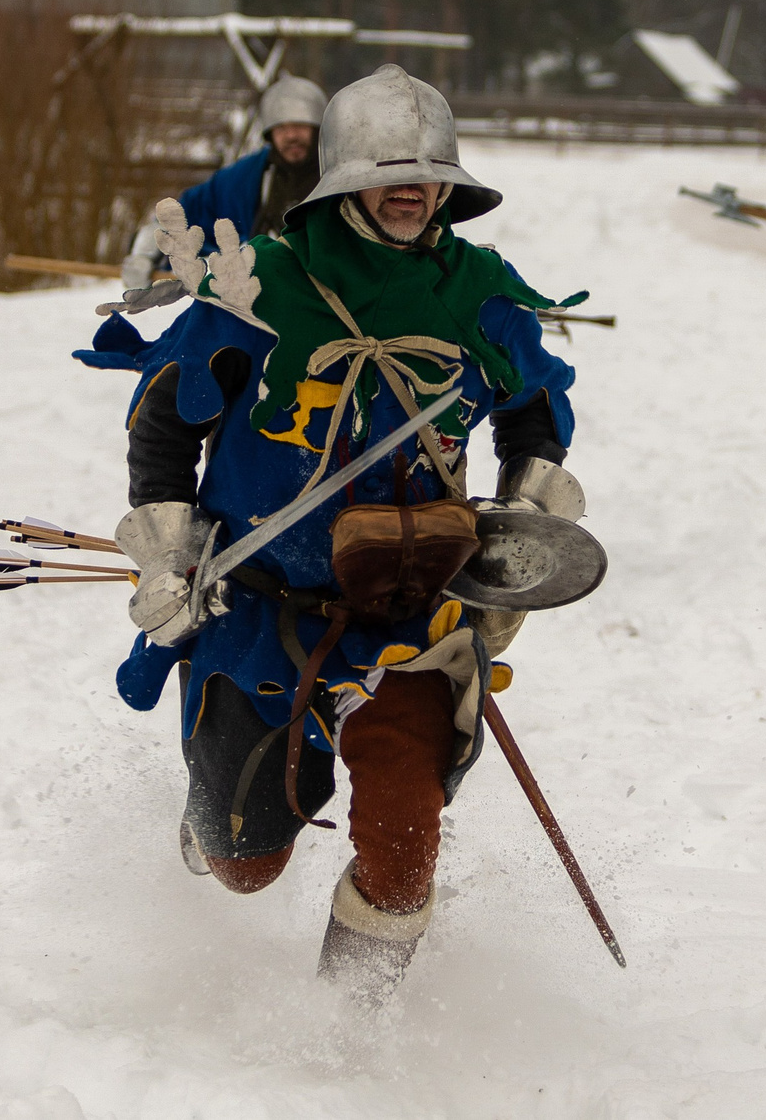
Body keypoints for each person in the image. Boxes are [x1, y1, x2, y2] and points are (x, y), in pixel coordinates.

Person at [78, 65, 585, 1002]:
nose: (410, 187)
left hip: (412, 609)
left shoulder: (479, 291)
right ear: (343, 176)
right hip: (262, 603)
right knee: (247, 863)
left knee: (404, 839)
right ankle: (213, 812)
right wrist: (170, 546)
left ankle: (340, 1034)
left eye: (428, 172)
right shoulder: (261, 283)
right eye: (388, 170)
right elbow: (164, 421)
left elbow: (533, 406)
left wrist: (524, 507)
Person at [118, 76, 327, 289]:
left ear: (317, 128)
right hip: (260, 304)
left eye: (300, 126)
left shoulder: (343, 176)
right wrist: (145, 253)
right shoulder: (244, 178)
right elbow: (183, 216)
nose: (291, 135)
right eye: (281, 128)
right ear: (270, 134)